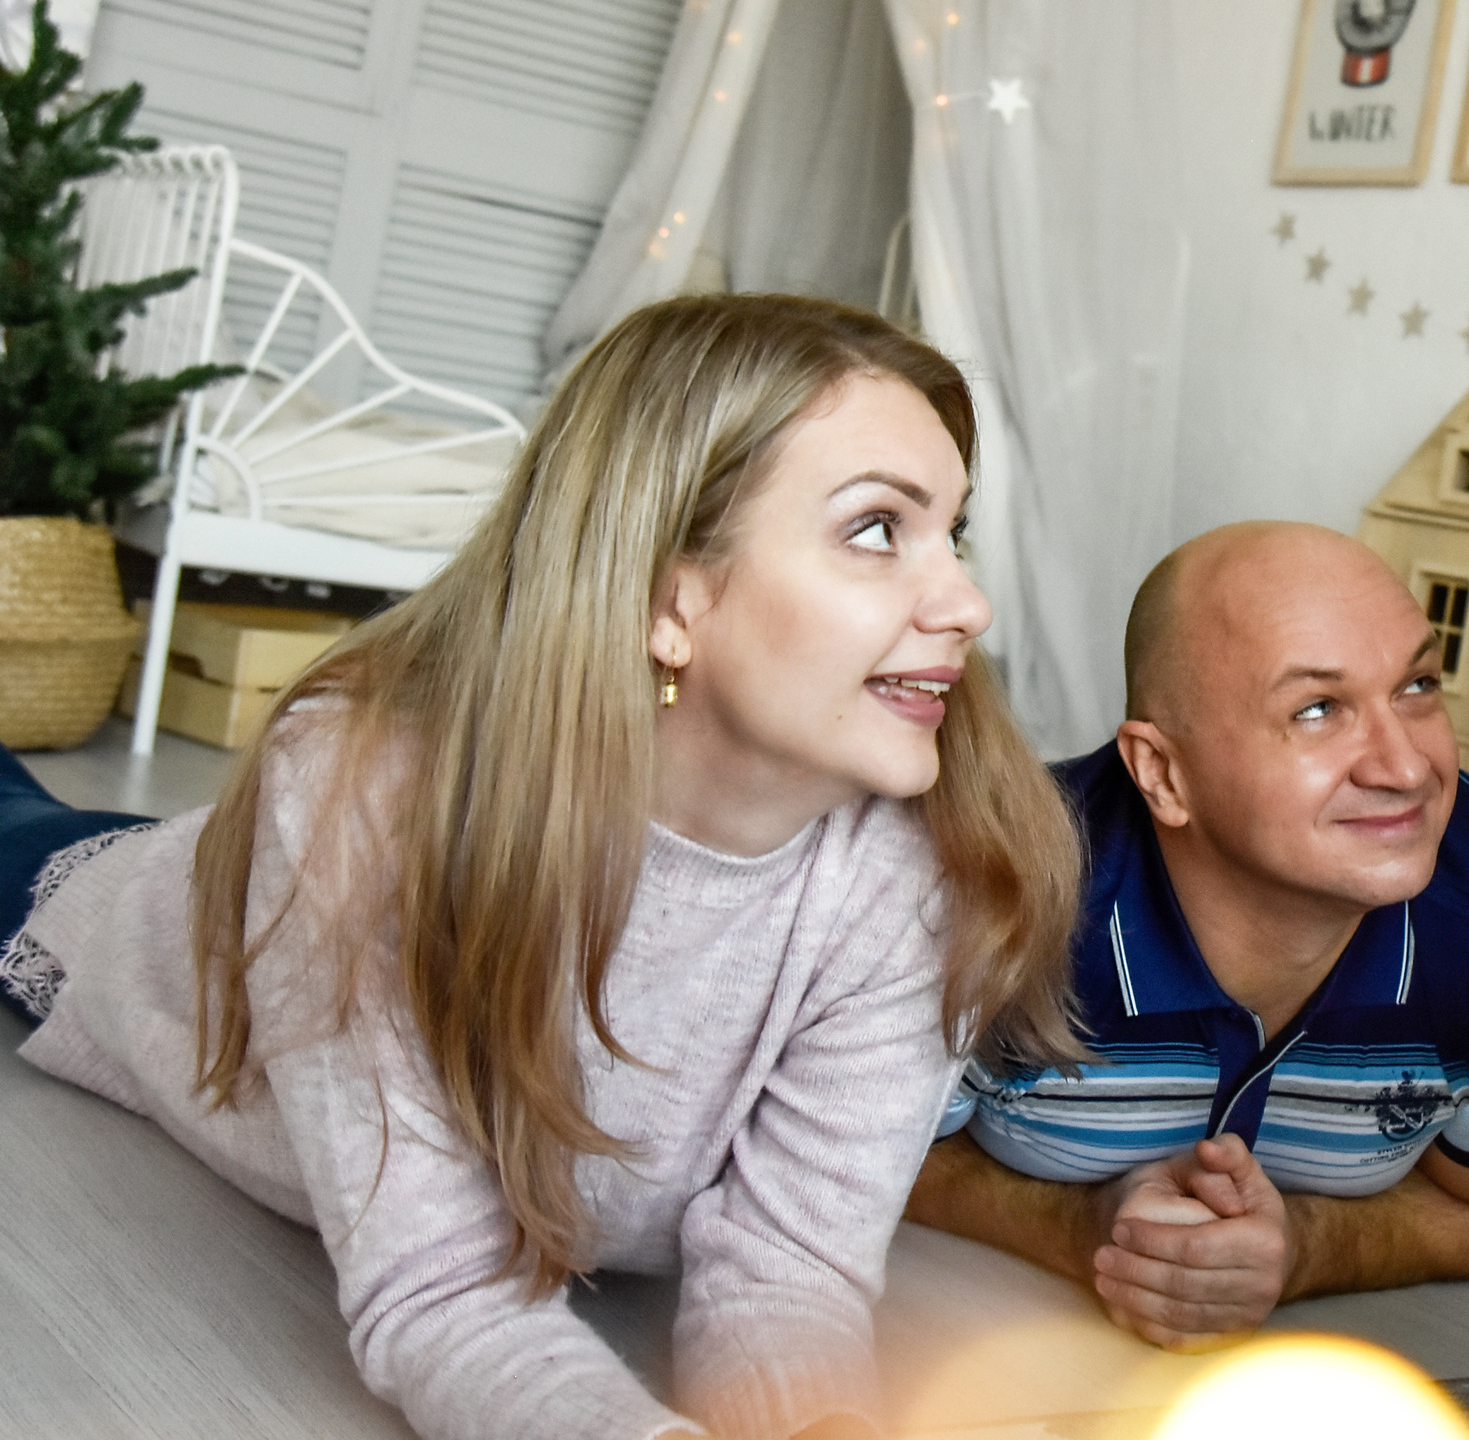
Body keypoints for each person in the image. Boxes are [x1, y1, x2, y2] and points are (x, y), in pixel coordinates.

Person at [0, 295, 1086, 1440]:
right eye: (876, 528)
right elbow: (437, 1283)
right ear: (675, 594)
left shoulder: (912, 878)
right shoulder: (359, 787)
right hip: (101, 911)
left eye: (952, 533)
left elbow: (789, 1272)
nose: (967, 603)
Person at [903, 521, 1469, 1350]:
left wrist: (1305, 1250)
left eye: (1418, 685)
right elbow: (853, 1161)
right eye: (1318, 710)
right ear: (1163, 775)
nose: (1406, 768)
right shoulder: (973, 905)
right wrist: (1081, 1232)